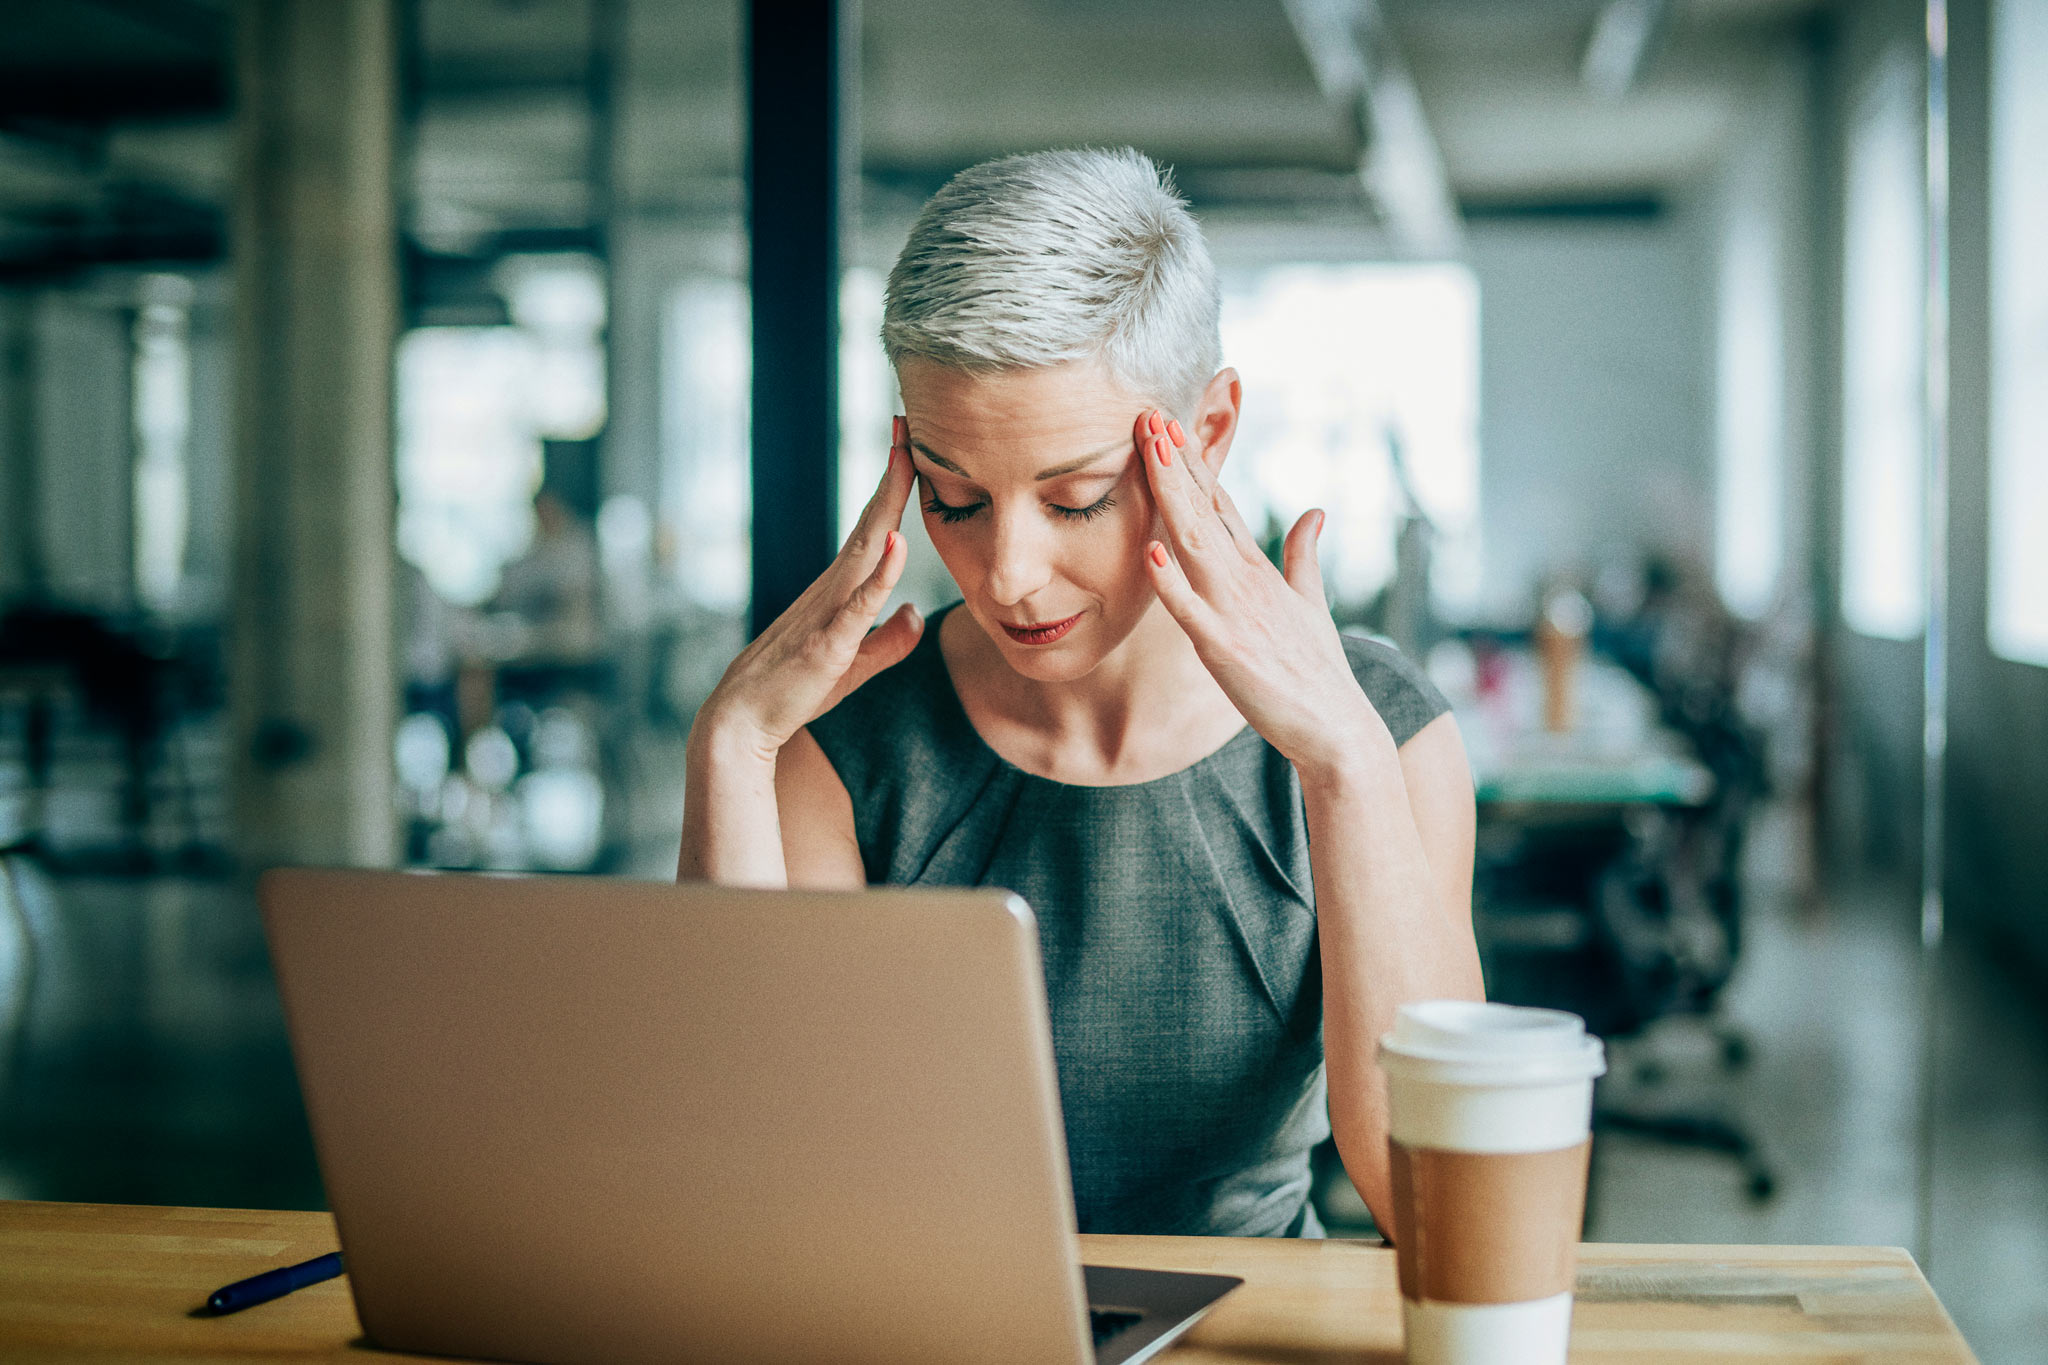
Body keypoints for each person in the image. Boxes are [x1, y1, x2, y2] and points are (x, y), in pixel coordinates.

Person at [679, 147, 1483, 1240]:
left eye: (1078, 499)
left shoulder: (1382, 732)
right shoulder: (844, 749)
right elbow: (752, 1190)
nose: (1006, 574)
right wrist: (730, 745)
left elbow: (1439, 1207)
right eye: (954, 501)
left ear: (1202, 438)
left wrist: (1341, 763)